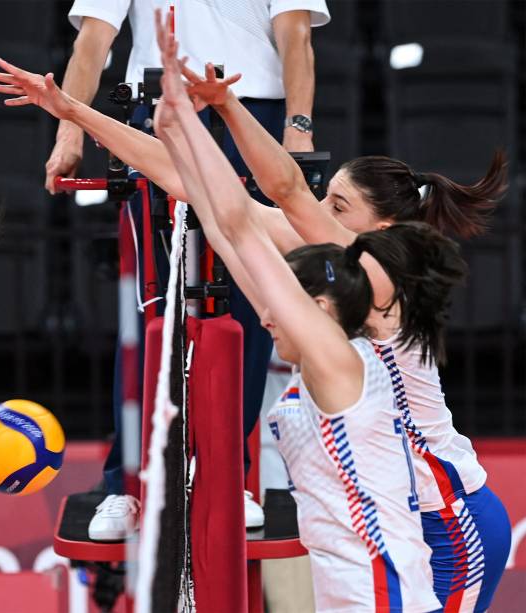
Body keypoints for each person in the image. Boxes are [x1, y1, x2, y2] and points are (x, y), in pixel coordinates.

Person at [0, 52, 512, 610]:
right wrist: (74, 109)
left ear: (382, 228)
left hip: (451, 521)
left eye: (338, 204)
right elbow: (207, 196)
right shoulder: (335, 267)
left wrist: (227, 106)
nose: (317, 208)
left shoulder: (387, 288)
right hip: (391, 518)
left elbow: (286, 188)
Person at [148, 12, 458, 609]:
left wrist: (209, 112)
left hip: (432, 542)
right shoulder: (343, 321)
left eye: (337, 204)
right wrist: (168, 125)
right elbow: (229, 220)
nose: (267, 316)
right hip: (382, 562)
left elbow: (277, 196)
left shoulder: (359, 329)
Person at [47, 0, 330, 536]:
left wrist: (298, 129)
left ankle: (228, 480)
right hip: (157, 112)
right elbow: (93, 40)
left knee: (251, 302)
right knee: (152, 307)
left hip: (251, 110)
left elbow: (296, 35)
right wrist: (70, 133)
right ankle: (124, 485)